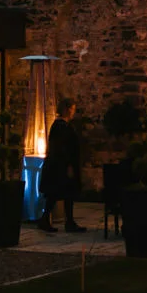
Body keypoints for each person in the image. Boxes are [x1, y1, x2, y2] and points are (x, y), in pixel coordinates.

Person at [40, 98, 85, 232]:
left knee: (64, 193)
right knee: (58, 193)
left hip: (61, 166)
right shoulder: (60, 127)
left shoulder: (63, 126)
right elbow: (62, 147)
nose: (73, 112)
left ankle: (67, 221)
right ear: (67, 109)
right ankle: (52, 220)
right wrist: (68, 165)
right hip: (60, 166)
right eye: (72, 109)